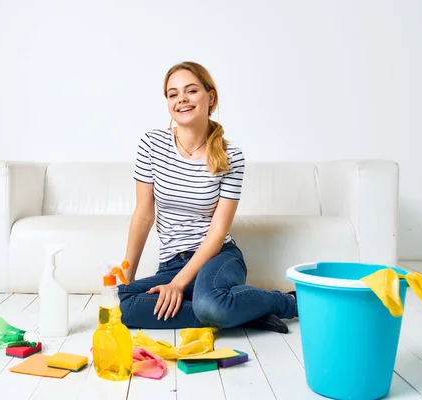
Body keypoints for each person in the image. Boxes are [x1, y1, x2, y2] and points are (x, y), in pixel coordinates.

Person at [118, 61, 297, 333]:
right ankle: (242, 312)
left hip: (218, 258)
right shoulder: (152, 144)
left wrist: (179, 284)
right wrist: (127, 275)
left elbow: (217, 233)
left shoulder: (230, 157)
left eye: (191, 91)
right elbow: (143, 215)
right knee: (124, 305)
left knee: (210, 305)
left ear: (210, 96)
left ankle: (283, 302)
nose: (182, 100)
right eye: (173, 94)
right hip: (172, 262)